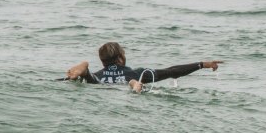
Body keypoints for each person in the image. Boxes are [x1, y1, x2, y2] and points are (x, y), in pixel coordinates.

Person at [65, 42, 223, 93]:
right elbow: (172, 71)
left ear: (103, 61)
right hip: (129, 82)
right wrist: (202, 64)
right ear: (120, 58)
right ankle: (133, 83)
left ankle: (84, 69)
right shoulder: (136, 72)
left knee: (90, 80)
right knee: (133, 81)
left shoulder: (99, 75)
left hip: (99, 83)